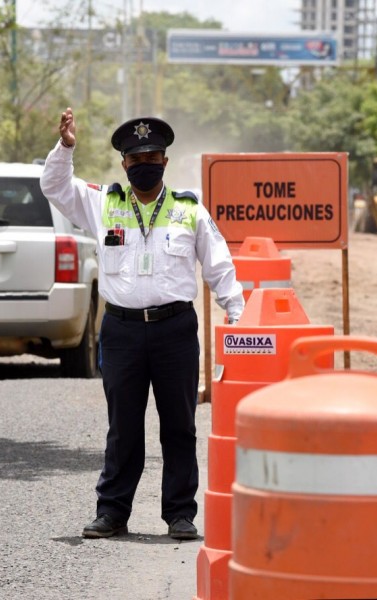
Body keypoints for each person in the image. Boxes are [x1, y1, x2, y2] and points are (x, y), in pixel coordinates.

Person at [40, 107, 245, 541]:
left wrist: (236, 314)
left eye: (152, 158)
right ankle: (112, 512)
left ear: (165, 162)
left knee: (179, 425)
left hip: (174, 331)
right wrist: (66, 148)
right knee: (124, 427)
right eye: (136, 160)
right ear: (124, 164)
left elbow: (219, 264)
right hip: (121, 332)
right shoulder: (103, 202)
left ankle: (179, 515)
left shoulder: (189, 209)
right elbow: (54, 186)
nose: (144, 166)